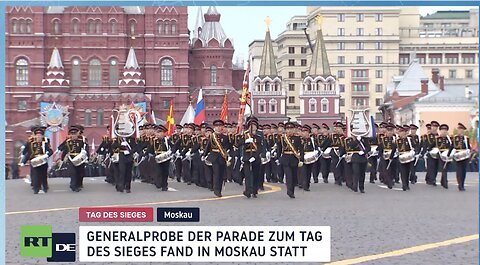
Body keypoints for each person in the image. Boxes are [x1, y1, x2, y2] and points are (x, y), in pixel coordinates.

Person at [19, 126, 53, 194]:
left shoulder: (45, 144)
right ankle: (36, 188)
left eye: (40, 136)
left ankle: (45, 187)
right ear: (35, 136)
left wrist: (47, 155)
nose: (38, 137)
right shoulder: (31, 144)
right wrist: (23, 161)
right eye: (37, 136)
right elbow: (28, 153)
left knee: (43, 175)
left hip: (43, 161)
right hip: (34, 162)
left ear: (42, 136)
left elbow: (50, 151)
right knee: (35, 175)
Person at [203, 120, 231, 197]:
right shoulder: (212, 136)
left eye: (220, 126)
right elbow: (208, 146)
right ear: (215, 127)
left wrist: (228, 155)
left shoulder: (225, 137)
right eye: (217, 126)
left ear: (222, 127)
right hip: (214, 156)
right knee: (216, 173)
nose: (218, 128)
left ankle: (219, 189)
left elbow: (228, 146)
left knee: (222, 174)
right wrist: (204, 155)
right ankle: (216, 190)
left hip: (222, 157)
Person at [277, 122, 304, 199]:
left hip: (294, 159)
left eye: (291, 129)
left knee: (294, 177)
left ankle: (292, 190)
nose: (289, 131)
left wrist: (301, 160)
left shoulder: (298, 138)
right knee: (288, 175)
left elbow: (301, 150)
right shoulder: (282, 138)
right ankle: (289, 191)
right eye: (287, 129)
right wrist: (278, 158)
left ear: (294, 130)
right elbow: (279, 149)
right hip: (285, 158)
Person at [58, 125, 88, 192]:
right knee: (73, 172)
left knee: (79, 173)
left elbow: (85, 149)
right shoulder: (68, 142)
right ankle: (73, 186)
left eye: (75, 134)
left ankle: (78, 184)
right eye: (72, 134)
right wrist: (62, 158)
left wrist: (86, 157)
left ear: (77, 134)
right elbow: (64, 149)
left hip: (80, 159)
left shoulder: (81, 141)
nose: (73, 136)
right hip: (71, 159)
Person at [241, 118, 265, 198]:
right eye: (251, 126)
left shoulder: (258, 137)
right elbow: (239, 145)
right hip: (247, 157)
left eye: (254, 126)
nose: (252, 127)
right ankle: (248, 190)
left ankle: (254, 190)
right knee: (247, 175)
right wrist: (245, 141)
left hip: (255, 157)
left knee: (255, 175)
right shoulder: (245, 135)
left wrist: (255, 156)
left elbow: (260, 148)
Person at [149, 125, 172, 191]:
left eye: (159, 132)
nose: (158, 134)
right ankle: (158, 183)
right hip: (157, 158)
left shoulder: (166, 140)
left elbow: (172, 146)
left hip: (166, 158)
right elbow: (151, 149)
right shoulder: (154, 141)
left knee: (165, 172)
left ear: (163, 133)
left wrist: (171, 152)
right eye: (157, 132)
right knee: (158, 171)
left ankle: (164, 185)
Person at [453, 123, 471, 191]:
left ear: (463, 130)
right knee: (459, 171)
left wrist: (469, 152)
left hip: (465, 156)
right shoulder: (455, 138)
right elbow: (452, 147)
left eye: (461, 129)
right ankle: (460, 184)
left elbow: (468, 147)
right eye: (459, 129)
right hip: (458, 156)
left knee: (463, 171)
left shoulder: (466, 138)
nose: (460, 131)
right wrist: (448, 155)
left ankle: (462, 184)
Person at [396, 126, 415, 191]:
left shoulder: (409, 140)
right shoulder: (397, 141)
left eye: (402, 132)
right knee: (403, 172)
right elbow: (394, 149)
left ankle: (407, 184)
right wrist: (391, 157)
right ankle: (404, 185)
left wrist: (414, 152)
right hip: (401, 157)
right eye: (400, 132)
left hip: (409, 157)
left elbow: (415, 146)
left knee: (407, 172)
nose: (401, 133)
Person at [436, 124, 454, 189]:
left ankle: (442, 180)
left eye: (445, 130)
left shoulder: (450, 139)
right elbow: (432, 146)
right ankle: (445, 182)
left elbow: (452, 146)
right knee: (443, 168)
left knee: (445, 168)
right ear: (440, 131)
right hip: (440, 155)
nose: (444, 131)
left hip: (448, 155)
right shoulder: (437, 139)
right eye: (442, 130)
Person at [424, 121, 440, 185]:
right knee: (431, 166)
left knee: (436, 167)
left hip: (437, 153)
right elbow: (425, 145)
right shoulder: (427, 136)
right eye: (433, 126)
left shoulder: (439, 136)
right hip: (430, 153)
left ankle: (430, 178)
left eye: (436, 127)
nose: (434, 128)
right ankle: (432, 179)